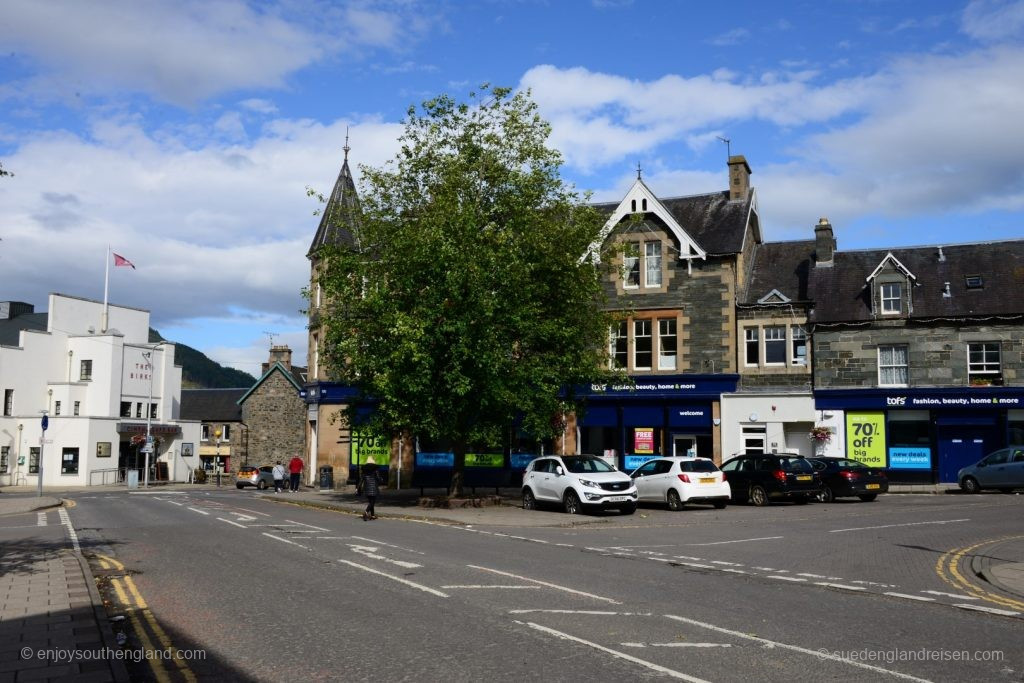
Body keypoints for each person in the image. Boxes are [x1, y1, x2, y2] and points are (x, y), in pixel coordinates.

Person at [359, 456, 382, 521]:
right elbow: (378, 478)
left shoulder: (364, 470)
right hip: (373, 487)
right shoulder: (375, 469)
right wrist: (381, 480)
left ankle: (372, 515)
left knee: (371, 502)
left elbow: (361, 480)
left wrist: (358, 488)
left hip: (366, 488)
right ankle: (366, 512)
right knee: (372, 502)